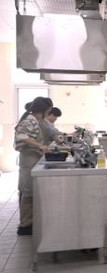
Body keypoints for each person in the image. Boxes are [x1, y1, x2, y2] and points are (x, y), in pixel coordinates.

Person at [13, 97, 53, 235]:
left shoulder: (34, 120)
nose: (48, 113)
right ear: (42, 110)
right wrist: (39, 145)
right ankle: (25, 225)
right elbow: (22, 137)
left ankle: (30, 222)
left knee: (31, 191)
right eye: (47, 110)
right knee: (28, 192)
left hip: (33, 158)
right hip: (28, 159)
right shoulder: (29, 120)